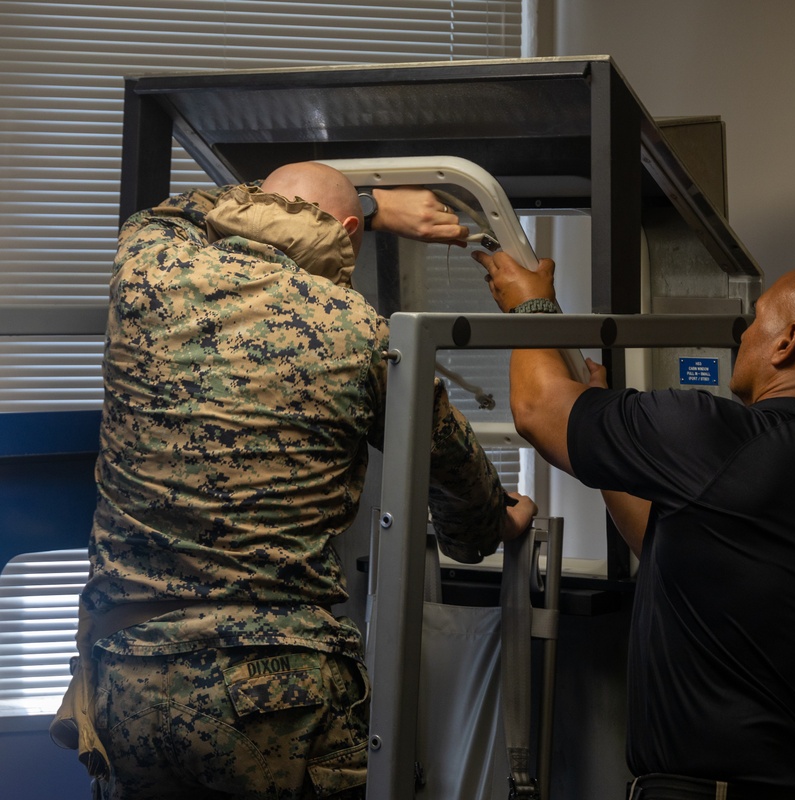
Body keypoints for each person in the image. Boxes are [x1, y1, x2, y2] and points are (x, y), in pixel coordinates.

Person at [66, 161, 536, 800]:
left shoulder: (147, 263)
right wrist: (501, 520)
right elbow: (467, 511)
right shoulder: (364, 334)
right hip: (278, 683)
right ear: (344, 233)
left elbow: (175, 206)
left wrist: (375, 208)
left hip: (127, 676)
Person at [474, 250, 795, 800]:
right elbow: (666, 541)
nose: (742, 337)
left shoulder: (724, 436)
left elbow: (536, 409)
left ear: (787, 342)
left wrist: (528, 307)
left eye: (755, 320)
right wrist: (610, 450)